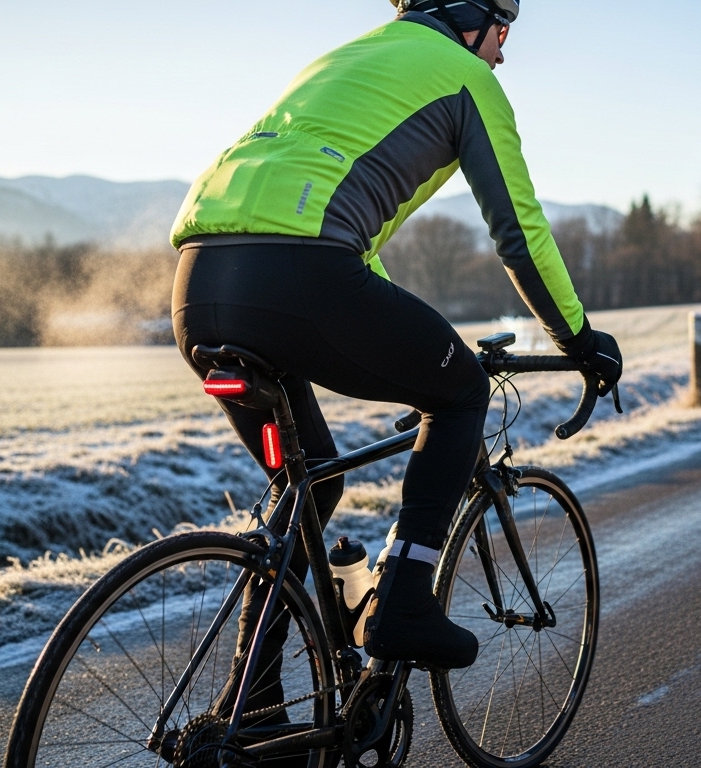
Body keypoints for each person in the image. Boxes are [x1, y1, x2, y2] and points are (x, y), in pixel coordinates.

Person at [168, 0, 623, 711]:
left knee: (309, 485)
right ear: (471, 17)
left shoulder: (346, 58)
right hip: (302, 276)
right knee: (462, 392)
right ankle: (402, 603)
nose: (503, 53)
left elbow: (328, 227)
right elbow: (519, 233)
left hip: (199, 287)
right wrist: (580, 339)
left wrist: (401, 327)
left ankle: (249, 705)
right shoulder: (467, 80)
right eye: (504, 32)